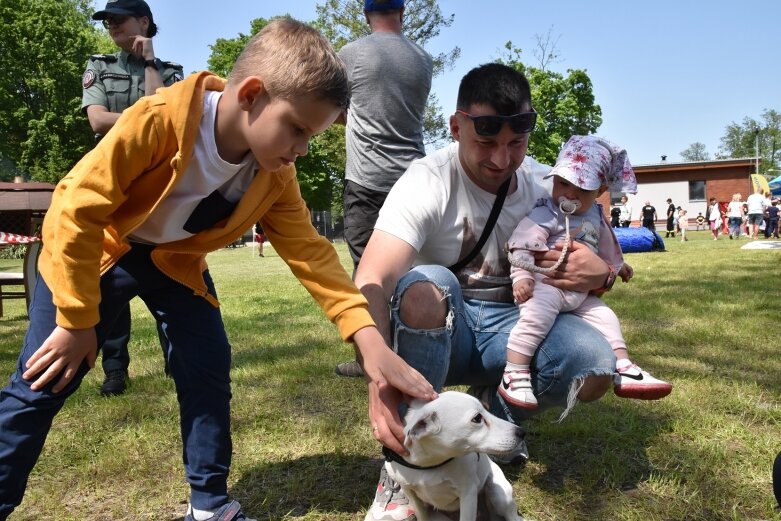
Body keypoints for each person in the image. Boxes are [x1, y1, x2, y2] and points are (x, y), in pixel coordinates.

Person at [0, 19, 435, 521]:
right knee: (43, 381)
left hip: (176, 265)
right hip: (97, 251)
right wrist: (76, 321)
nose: (302, 148)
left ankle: (208, 506)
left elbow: (313, 256)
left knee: (206, 366)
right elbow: (77, 208)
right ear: (251, 94)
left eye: (312, 136)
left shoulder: (274, 174)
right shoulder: (158, 119)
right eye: (297, 128)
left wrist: (369, 339)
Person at [355, 63, 636, 521]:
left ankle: (493, 412)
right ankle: (402, 464)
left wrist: (601, 273)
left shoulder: (547, 186)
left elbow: (598, 230)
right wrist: (378, 373)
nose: (502, 161)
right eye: (485, 141)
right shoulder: (427, 180)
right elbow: (372, 278)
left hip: (513, 328)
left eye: (516, 144)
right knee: (427, 285)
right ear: (456, 126)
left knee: (595, 364)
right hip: (445, 327)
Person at [499, 135, 672, 409]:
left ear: (600, 189)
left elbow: (606, 248)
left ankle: (624, 365)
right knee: (535, 318)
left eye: (582, 189)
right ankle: (515, 371)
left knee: (606, 317)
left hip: (580, 294)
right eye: (563, 183)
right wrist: (522, 277)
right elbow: (521, 245)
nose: (569, 194)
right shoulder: (548, 212)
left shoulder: (594, 216)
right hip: (548, 286)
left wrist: (618, 267)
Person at [82, 0, 184, 396]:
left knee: (169, 272)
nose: (111, 27)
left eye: (118, 20)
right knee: (110, 276)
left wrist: (150, 65)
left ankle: (176, 363)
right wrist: (147, 119)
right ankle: (114, 370)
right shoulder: (99, 66)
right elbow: (96, 120)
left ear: (143, 21)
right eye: (106, 21)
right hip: (109, 185)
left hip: (159, 191)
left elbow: (168, 123)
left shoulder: (171, 72)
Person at [334, 0, 433, 379]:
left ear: (365, 13)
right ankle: (412, 352)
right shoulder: (422, 59)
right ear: (402, 12)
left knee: (368, 272)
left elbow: (337, 107)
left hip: (366, 180)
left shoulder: (351, 54)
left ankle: (372, 360)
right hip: (414, 178)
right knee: (411, 270)